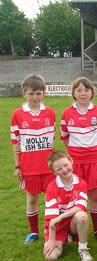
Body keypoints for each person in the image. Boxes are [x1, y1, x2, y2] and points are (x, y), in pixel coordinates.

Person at [10, 73, 55, 244]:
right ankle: (34, 232)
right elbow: (16, 143)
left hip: (48, 166)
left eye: (38, 93)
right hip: (29, 166)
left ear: (44, 93)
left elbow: (50, 141)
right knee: (32, 199)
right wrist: (17, 167)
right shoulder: (17, 114)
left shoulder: (50, 113)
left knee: (53, 198)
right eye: (31, 93)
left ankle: (55, 228)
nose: (35, 97)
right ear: (24, 94)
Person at [60, 77, 97, 240]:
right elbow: (65, 137)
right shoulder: (67, 113)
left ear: (91, 92)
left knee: (94, 196)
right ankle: (73, 230)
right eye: (79, 90)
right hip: (76, 160)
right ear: (73, 93)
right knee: (74, 195)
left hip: (94, 159)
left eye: (86, 90)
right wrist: (75, 152)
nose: (83, 93)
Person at [43, 151, 92, 261]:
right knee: (51, 257)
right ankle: (62, 239)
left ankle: (83, 249)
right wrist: (51, 239)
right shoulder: (51, 188)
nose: (64, 170)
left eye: (66, 165)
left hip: (72, 223)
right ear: (54, 172)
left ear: (71, 161)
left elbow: (81, 206)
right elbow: (52, 219)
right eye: (59, 169)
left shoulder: (81, 183)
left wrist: (61, 216)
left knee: (82, 216)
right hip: (58, 226)